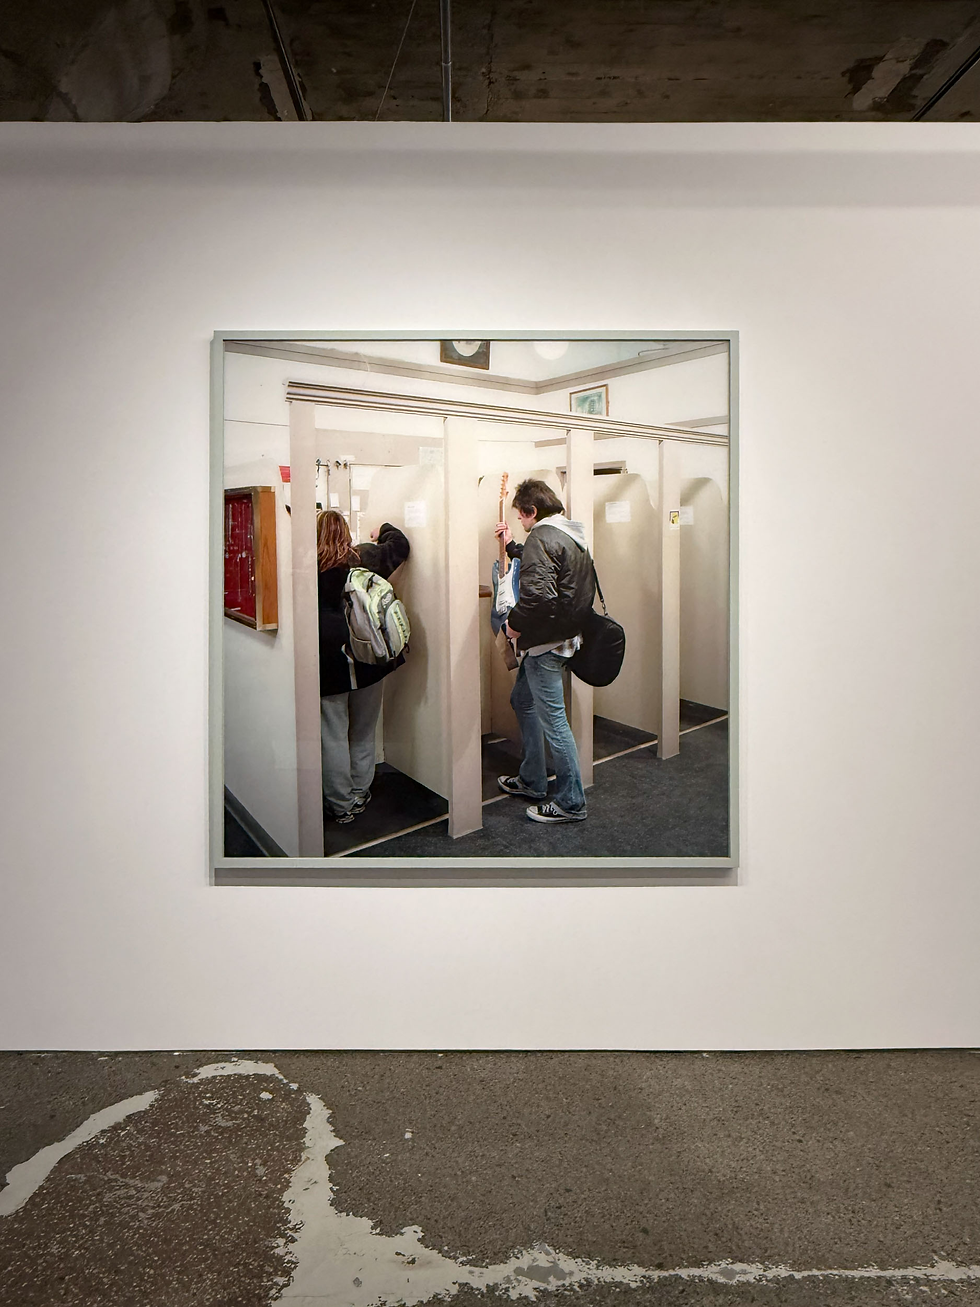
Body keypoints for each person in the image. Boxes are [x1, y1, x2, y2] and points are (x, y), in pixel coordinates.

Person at [494, 479, 595, 824]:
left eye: (521, 518)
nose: (521, 524)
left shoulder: (541, 536)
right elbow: (553, 570)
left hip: (545, 645)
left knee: (554, 721)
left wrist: (512, 625)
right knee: (521, 701)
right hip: (566, 639)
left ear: (531, 511)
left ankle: (571, 802)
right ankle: (533, 779)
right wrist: (512, 548)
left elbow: (537, 597)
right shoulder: (571, 534)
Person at [316, 512, 410, 824]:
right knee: (364, 730)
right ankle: (359, 793)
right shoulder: (363, 557)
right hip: (368, 657)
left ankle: (340, 805)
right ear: (345, 532)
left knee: (332, 734)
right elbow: (400, 545)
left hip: (326, 661)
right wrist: (382, 529)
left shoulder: (304, 568)